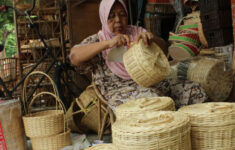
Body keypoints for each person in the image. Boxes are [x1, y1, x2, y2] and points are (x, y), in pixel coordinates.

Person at [69, 0, 207, 111]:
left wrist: (152, 39)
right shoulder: (99, 39)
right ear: (103, 17)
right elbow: (74, 57)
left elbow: (164, 50)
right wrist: (108, 43)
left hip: (151, 81)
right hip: (119, 90)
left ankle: (189, 128)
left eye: (122, 14)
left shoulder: (135, 31)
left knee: (194, 89)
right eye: (111, 17)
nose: (118, 20)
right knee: (153, 100)